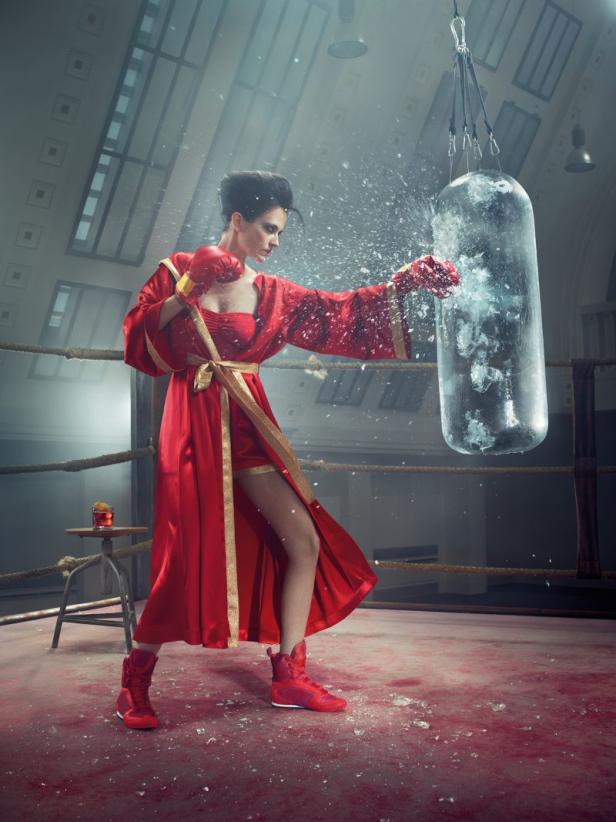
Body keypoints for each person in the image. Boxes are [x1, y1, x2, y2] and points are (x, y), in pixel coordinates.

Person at [118, 170, 460, 730]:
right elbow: (137, 339)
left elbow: (342, 311)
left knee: (302, 539)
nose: (275, 242)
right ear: (237, 221)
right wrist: (186, 292)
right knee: (184, 558)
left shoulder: (272, 294)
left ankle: (289, 674)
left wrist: (406, 285)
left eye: (280, 231)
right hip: (192, 421)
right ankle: (134, 684)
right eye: (268, 229)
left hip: (248, 420)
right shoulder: (177, 270)